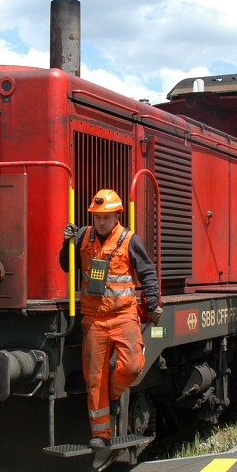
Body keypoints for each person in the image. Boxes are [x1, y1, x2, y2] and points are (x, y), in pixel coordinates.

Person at [59, 189, 162, 449]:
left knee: (132, 366)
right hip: (93, 319)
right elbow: (66, 266)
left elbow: (147, 272)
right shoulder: (82, 237)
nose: (101, 221)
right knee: (94, 379)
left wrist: (153, 303)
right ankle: (100, 435)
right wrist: (66, 244)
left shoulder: (130, 240)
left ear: (117, 216)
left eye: (106, 217)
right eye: (97, 217)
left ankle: (113, 393)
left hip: (124, 315)